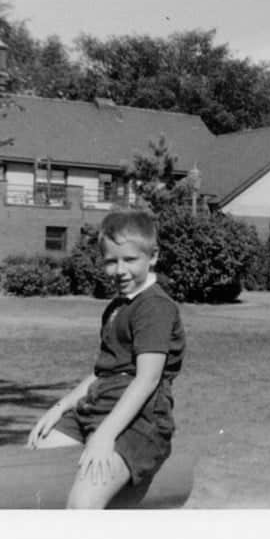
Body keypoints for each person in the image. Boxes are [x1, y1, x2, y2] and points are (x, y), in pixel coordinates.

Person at [27, 209, 185, 509]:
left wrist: (104, 436)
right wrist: (59, 408)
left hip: (140, 420)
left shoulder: (155, 307)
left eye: (130, 260)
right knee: (36, 455)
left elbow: (147, 378)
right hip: (98, 405)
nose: (120, 270)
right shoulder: (116, 307)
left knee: (82, 504)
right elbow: (103, 373)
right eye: (111, 261)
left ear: (152, 257)